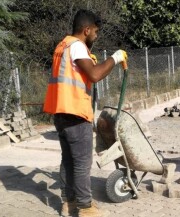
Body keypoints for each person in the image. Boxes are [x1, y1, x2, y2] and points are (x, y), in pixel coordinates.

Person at [43, 9, 127, 217]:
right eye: (95, 32)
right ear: (86, 29)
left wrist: (90, 59)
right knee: (81, 163)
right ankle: (86, 208)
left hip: (60, 113)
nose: (96, 36)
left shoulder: (63, 45)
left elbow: (80, 72)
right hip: (75, 114)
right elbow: (95, 75)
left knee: (69, 160)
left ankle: (68, 203)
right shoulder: (78, 46)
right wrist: (114, 59)